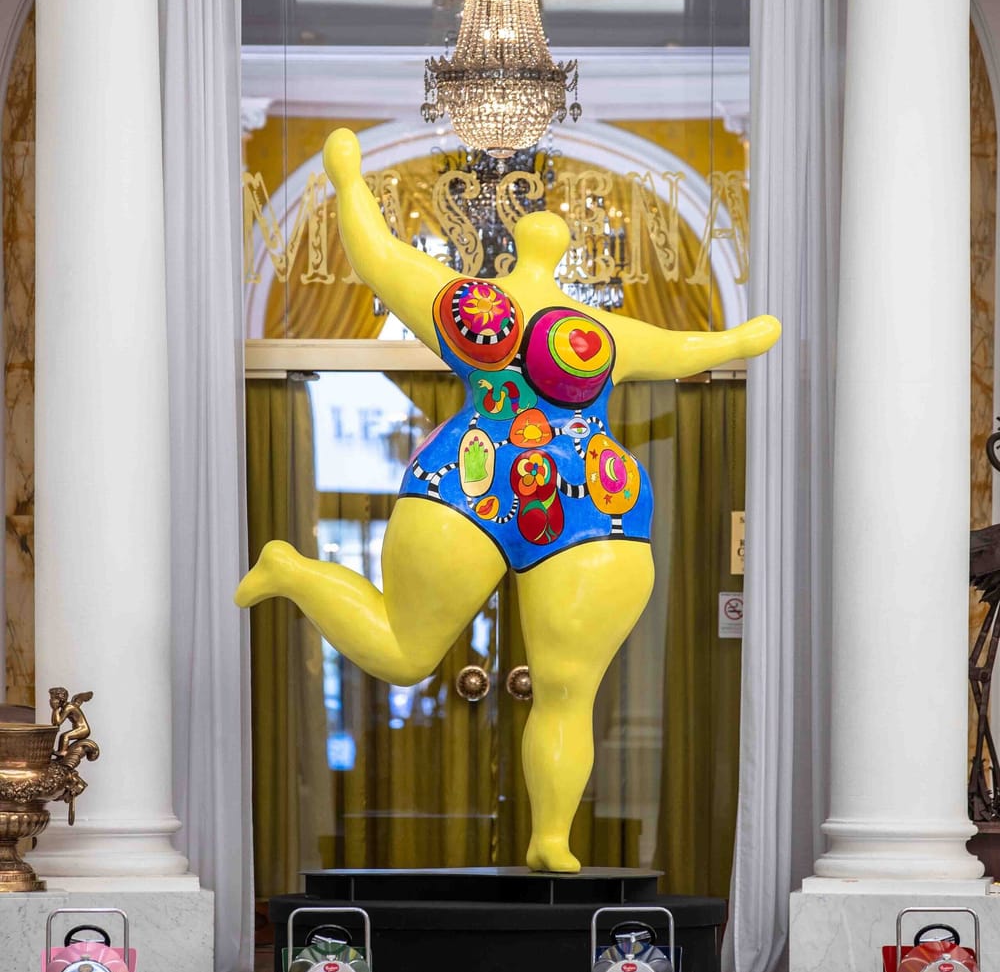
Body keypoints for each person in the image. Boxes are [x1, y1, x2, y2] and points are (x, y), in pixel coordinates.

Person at [236, 129, 780, 872]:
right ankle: (292, 571)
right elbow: (689, 348)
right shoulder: (579, 326)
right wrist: (744, 338)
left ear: (520, 246)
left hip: (510, 489)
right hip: (560, 495)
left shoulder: (489, 307)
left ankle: (550, 839)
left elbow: (379, 255)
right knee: (512, 680)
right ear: (555, 250)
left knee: (525, 679)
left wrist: (350, 181)